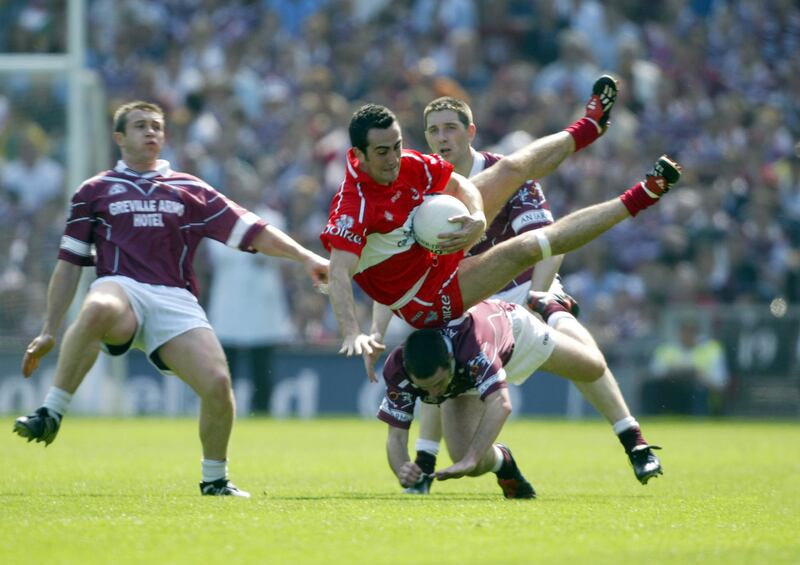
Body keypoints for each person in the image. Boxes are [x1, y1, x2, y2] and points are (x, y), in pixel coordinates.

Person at [12, 101, 329, 498]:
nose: (150, 133)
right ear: (119, 137)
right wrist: (48, 329)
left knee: (217, 384)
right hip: (121, 287)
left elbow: (252, 229)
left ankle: (215, 480)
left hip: (175, 298)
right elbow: (70, 263)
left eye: (156, 126)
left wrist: (306, 257)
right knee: (98, 307)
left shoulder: (190, 189)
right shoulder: (93, 192)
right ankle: (50, 412)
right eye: (140, 126)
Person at [394, 95, 663, 494]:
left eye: (450, 128)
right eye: (434, 130)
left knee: (572, 336)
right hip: (466, 303)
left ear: (470, 132)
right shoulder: (423, 188)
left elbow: (548, 241)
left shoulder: (506, 173)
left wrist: (539, 295)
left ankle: (633, 440)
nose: (441, 137)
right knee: (436, 362)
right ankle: (428, 461)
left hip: (521, 286)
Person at [379, 298, 608, 498]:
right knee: (467, 460)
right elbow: (396, 437)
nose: (434, 395)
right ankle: (504, 462)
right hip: (464, 376)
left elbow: (501, 403)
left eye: (438, 384)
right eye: (425, 389)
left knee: (594, 368)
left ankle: (555, 311)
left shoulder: (475, 349)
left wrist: (472, 456)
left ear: (450, 359)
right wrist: (402, 468)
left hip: (516, 337)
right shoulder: (397, 368)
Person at [644, 317, 729, 416]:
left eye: (692, 331)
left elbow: (720, 383)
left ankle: (699, 420)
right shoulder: (666, 349)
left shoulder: (712, 350)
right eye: (685, 330)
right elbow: (653, 375)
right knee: (650, 388)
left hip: (699, 392)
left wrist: (697, 375)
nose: (688, 335)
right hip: (671, 390)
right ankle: (653, 418)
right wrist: (674, 372)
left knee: (698, 390)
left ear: (698, 333)